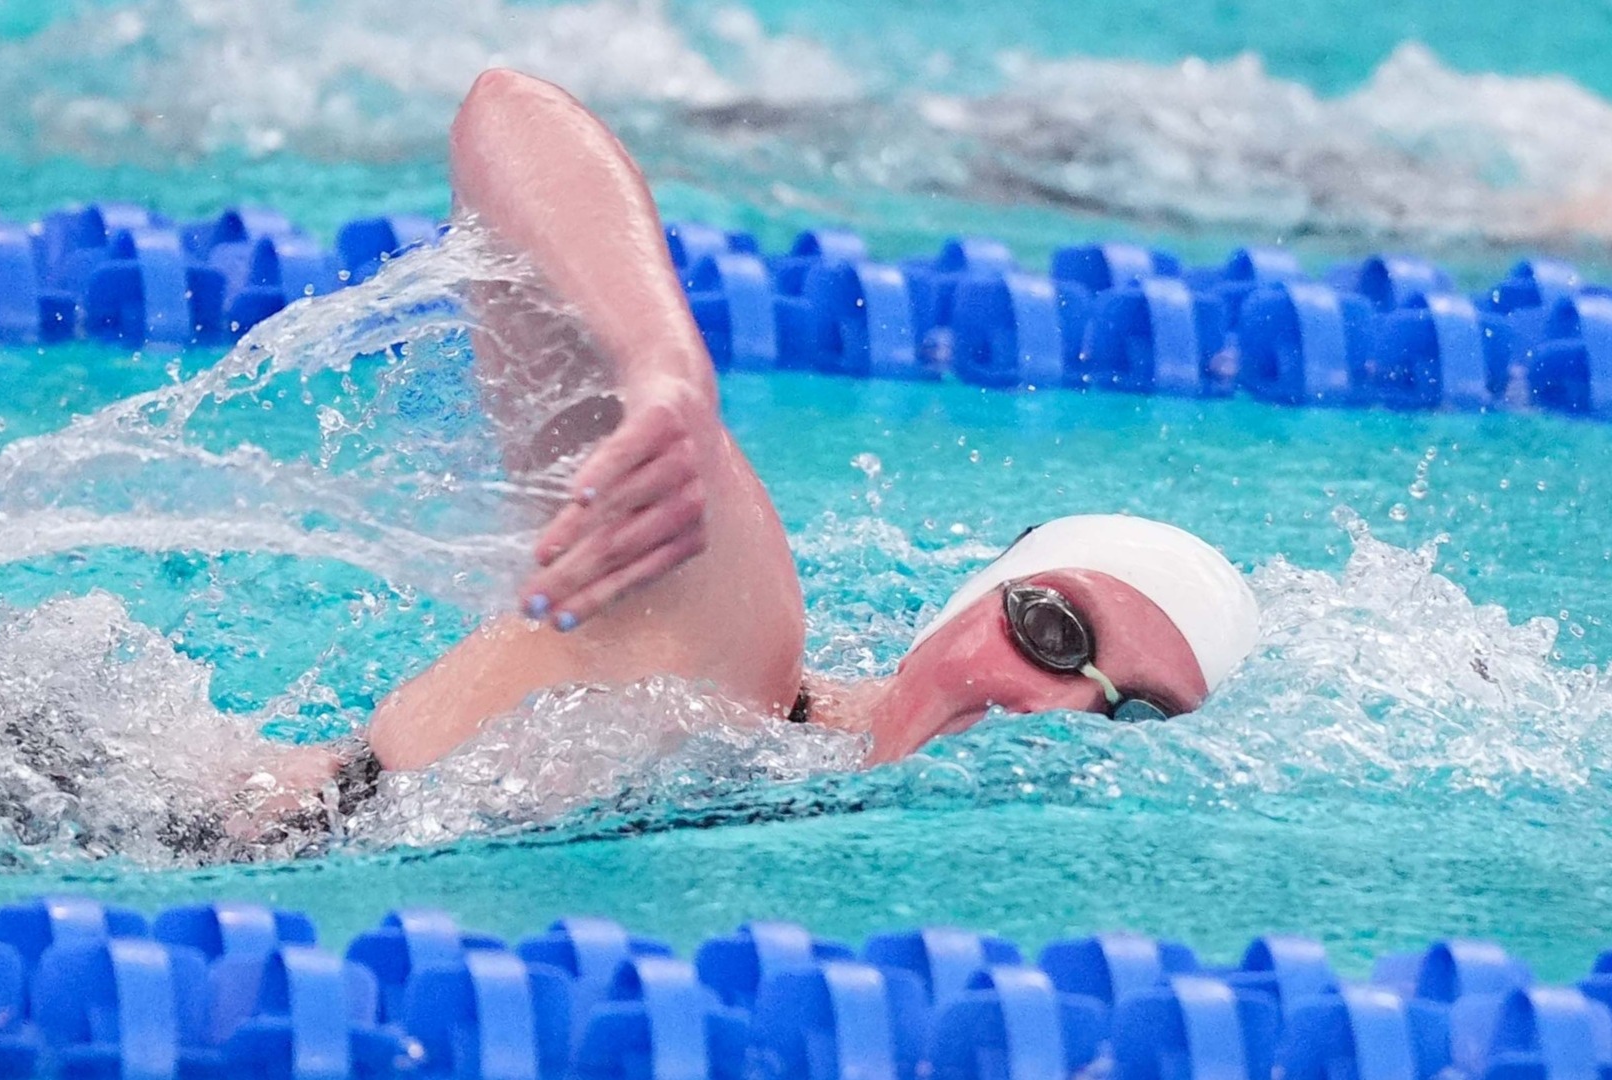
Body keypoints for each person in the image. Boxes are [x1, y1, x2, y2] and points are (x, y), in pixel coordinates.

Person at [347, 69, 1261, 796]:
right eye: (1053, 631)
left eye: (1133, 717)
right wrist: (663, 362)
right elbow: (510, 115)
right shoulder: (723, 663)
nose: (1055, 713)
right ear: (969, 603)